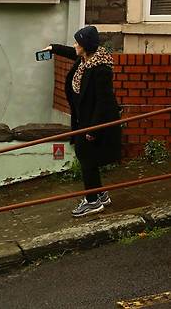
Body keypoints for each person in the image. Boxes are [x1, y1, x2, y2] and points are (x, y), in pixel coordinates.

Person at [45, 26, 122, 217]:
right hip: (84, 119)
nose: (74, 46)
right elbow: (72, 52)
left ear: (85, 46)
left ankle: (92, 201)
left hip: (94, 122)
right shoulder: (85, 59)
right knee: (89, 157)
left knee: (85, 155)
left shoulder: (100, 69)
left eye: (77, 42)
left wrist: (93, 130)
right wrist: (53, 48)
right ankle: (100, 194)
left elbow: (104, 103)